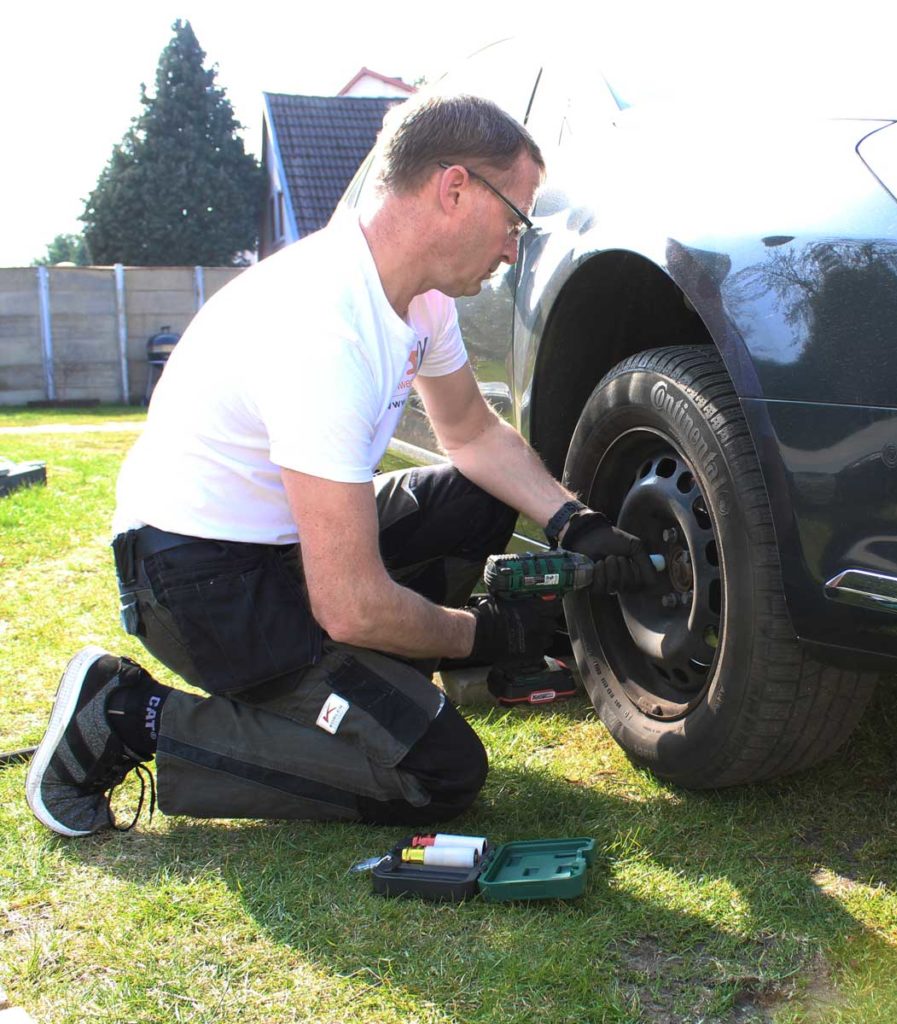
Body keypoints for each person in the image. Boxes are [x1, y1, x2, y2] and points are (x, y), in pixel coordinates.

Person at [26, 92, 655, 838]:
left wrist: (573, 521)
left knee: (476, 494)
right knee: (439, 774)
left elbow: (472, 435)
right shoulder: (326, 329)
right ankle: (130, 715)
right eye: (515, 219)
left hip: (280, 540)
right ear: (454, 189)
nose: (515, 247)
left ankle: (382, 683)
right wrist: (483, 635)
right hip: (203, 584)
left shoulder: (420, 302)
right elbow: (348, 602)